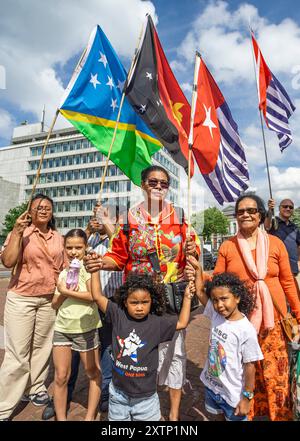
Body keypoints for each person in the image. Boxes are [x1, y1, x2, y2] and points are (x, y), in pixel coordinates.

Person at [85, 165, 200, 421]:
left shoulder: (180, 216)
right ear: (143, 184)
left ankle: (172, 415)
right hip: (138, 301)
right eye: (153, 182)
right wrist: (98, 262)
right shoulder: (128, 218)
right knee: (136, 354)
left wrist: (193, 247)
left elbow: (194, 253)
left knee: (175, 356)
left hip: (170, 297)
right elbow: (117, 256)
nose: (158, 186)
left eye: (163, 183)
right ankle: (137, 405)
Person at [213, 194, 300, 420]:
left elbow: (288, 282)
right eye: (241, 211)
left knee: (275, 377)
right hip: (240, 324)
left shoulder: (276, 243)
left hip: (274, 324)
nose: (245, 214)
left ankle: (279, 416)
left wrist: (299, 316)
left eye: (251, 210)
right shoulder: (228, 246)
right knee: (243, 375)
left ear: (261, 215)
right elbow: (217, 282)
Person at [42, 203, 125, 420]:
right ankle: (63, 397)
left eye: (105, 216)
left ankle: (104, 395)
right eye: (97, 216)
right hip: (72, 318)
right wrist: (89, 230)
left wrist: (106, 222)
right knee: (66, 367)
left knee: (105, 353)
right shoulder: (87, 243)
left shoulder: (117, 239)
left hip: (109, 302)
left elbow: (117, 242)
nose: (99, 219)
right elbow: (74, 245)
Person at [90, 270, 195, 421]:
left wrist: (187, 297)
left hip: (146, 399)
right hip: (118, 395)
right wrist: (94, 272)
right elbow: (97, 296)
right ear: (125, 301)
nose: (139, 307)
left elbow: (182, 323)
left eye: (144, 302)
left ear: (152, 301)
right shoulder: (117, 314)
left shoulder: (157, 322)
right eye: (134, 302)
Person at [0, 194, 65, 421]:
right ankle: (4, 406)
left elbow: (65, 267)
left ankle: (35, 387)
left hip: (48, 300)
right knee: (17, 354)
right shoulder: (21, 233)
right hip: (22, 298)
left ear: (52, 212)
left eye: (48, 207)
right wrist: (17, 232)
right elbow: (7, 262)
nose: (43, 210)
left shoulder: (58, 238)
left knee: (41, 348)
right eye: (39, 207)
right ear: (31, 210)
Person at [186, 256, 263, 421]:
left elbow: (250, 366)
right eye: (215, 300)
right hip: (212, 388)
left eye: (224, 299)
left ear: (237, 297)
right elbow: (200, 292)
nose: (219, 305)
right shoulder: (216, 315)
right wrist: (199, 269)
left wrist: (247, 397)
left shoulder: (245, 330)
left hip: (233, 396)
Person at [51, 228, 101, 421]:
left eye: (78, 247)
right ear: (64, 248)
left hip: (85, 328)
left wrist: (68, 292)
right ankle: (61, 417)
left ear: (85, 247)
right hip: (62, 328)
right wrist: (63, 291)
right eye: (69, 247)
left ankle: (90, 415)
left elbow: (92, 297)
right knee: (61, 375)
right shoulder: (64, 273)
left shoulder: (90, 269)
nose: (73, 252)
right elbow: (55, 303)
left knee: (92, 372)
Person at [265, 198, 300, 276]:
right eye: (285, 206)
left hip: (293, 270)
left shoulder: (294, 227)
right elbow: (267, 226)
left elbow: (298, 246)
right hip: (278, 270)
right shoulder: (274, 222)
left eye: (291, 207)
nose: (288, 209)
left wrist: (298, 262)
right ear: (279, 208)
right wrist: (270, 210)